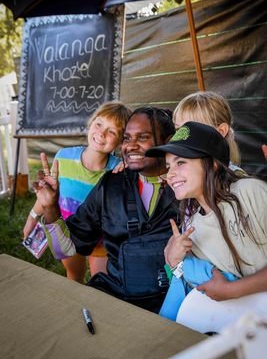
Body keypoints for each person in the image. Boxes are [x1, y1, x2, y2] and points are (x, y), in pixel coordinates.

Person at [32, 106, 177, 312]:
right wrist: (49, 207)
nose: (131, 146)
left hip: (176, 302)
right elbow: (63, 249)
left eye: (142, 137)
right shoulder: (111, 185)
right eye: (127, 138)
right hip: (117, 297)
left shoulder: (187, 187)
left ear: (168, 141)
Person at [146, 121, 267, 332]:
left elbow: (227, 289)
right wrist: (175, 263)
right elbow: (202, 285)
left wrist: (232, 291)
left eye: (180, 162)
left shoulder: (251, 192)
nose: (171, 173)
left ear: (212, 164)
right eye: (168, 167)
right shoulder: (191, 225)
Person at [23, 101, 131, 283]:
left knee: (102, 283)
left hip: (102, 239)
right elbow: (46, 196)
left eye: (112, 131)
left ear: (121, 141)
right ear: (91, 123)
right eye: (99, 124)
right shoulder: (63, 157)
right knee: (74, 277)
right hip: (68, 233)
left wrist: (129, 167)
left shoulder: (117, 170)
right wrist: (32, 218)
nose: (102, 133)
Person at [173, 91, 245, 175]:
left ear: (221, 131)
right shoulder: (180, 175)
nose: (182, 137)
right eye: (178, 129)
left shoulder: (238, 182)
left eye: (192, 129)